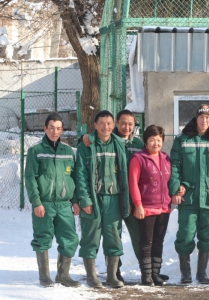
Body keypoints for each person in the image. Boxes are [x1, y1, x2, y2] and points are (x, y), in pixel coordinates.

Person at [82, 109, 151, 282]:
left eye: (130, 124)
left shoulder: (138, 144)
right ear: (116, 125)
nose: (127, 127)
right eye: (123, 123)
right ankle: (114, 273)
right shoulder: (98, 142)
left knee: (128, 235)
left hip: (128, 197)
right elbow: (82, 172)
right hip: (103, 195)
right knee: (98, 236)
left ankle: (147, 273)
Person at [169, 104, 209, 284]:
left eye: (207, 117)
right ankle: (185, 273)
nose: (204, 120)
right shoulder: (182, 139)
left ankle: (202, 272)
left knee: (207, 236)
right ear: (195, 119)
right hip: (187, 196)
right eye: (201, 117)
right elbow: (175, 166)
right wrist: (175, 189)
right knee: (185, 236)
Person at [75, 110, 130, 289]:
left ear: (113, 126)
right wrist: (85, 200)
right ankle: (91, 276)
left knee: (114, 237)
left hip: (114, 199)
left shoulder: (120, 144)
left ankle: (112, 276)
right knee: (90, 237)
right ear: (95, 125)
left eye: (109, 124)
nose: (106, 127)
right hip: (94, 199)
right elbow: (80, 174)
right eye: (102, 123)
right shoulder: (87, 145)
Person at [25, 112, 80, 288]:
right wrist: (37, 202)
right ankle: (44, 276)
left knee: (69, 238)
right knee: (43, 238)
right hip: (45, 204)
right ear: (45, 128)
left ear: (62, 130)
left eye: (58, 128)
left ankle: (63, 275)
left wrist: (76, 201)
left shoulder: (68, 151)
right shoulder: (36, 151)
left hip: (64, 204)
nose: (55, 132)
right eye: (51, 128)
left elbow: (75, 177)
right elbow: (30, 178)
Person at [128, 125, 172, 286]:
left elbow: (170, 180)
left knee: (158, 241)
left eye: (159, 140)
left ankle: (155, 274)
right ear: (145, 142)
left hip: (164, 207)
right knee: (146, 242)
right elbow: (133, 183)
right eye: (152, 140)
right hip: (146, 207)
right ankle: (146, 275)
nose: (156, 143)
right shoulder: (138, 159)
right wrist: (138, 205)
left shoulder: (166, 158)